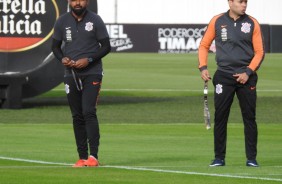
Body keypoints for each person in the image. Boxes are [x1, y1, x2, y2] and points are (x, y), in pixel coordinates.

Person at [198, 0, 264, 167]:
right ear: (230, 2)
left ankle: (251, 158)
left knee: (249, 118)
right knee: (220, 117)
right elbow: (204, 45)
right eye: (240, 2)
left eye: (245, 2)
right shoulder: (217, 21)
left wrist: (248, 72)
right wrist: (203, 67)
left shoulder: (252, 23)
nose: (244, 5)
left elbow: (260, 52)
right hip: (224, 77)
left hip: (247, 77)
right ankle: (219, 158)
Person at [51, 0, 111, 167]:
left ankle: (93, 157)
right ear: (70, 2)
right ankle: (82, 157)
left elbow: (106, 46)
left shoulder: (95, 20)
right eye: (74, 0)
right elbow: (55, 47)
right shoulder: (62, 21)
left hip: (92, 72)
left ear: (87, 1)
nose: (78, 3)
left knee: (88, 112)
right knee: (77, 116)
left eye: (81, 0)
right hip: (70, 74)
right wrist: (62, 58)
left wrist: (89, 60)